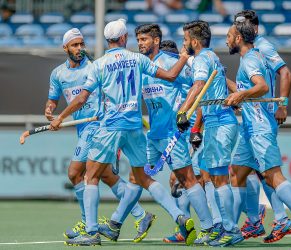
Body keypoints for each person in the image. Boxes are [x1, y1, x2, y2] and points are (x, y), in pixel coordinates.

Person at [50, 19, 196, 246]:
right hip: (135, 127)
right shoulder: (137, 59)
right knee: (143, 177)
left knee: (90, 176)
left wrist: (61, 116)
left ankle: (91, 232)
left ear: (107, 40)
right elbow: (170, 76)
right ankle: (179, 216)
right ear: (124, 38)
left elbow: (81, 98)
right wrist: (185, 57)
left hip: (110, 127)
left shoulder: (98, 64)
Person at [225, 18, 291, 249]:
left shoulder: (251, 59)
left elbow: (261, 87)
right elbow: (247, 90)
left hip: (260, 126)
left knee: (273, 176)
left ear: (239, 38)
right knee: (238, 174)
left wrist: (240, 97)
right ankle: (237, 227)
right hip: (249, 128)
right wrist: (226, 81)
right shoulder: (251, 58)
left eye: (229, 35)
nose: (227, 39)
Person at [45, 28, 154, 243]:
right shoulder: (58, 74)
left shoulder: (95, 67)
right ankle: (141, 215)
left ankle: (88, 226)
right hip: (82, 128)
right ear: (65, 48)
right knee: (106, 176)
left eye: (81, 44)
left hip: (98, 127)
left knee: (75, 173)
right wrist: (50, 108)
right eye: (74, 45)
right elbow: (53, 99)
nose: (79, 48)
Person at [135, 24, 213, 244]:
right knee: (137, 176)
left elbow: (198, 87)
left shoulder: (172, 63)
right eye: (138, 39)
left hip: (172, 134)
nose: (140, 43)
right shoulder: (142, 67)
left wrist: (193, 121)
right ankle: (120, 222)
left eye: (145, 39)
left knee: (188, 179)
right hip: (153, 135)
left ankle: (207, 228)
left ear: (156, 40)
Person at [228, 9, 291, 243]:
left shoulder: (262, 46)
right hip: (252, 119)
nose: (236, 29)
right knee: (250, 172)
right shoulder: (250, 51)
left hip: (261, 120)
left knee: (266, 173)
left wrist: (283, 105)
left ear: (253, 28)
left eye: (241, 25)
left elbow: (285, 73)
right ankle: (263, 220)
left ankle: (279, 219)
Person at [177, 20, 243, 247]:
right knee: (213, 178)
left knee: (220, 180)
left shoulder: (203, 59)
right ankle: (221, 226)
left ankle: (232, 230)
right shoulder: (209, 57)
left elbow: (197, 87)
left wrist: (183, 111)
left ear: (194, 42)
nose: (184, 43)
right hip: (215, 123)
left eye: (185, 40)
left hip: (220, 123)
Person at [159, 39, 223, 244]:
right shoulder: (173, 73)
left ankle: (217, 224)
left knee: (198, 179)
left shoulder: (186, 70)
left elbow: (199, 101)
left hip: (194, 134)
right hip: (184, 133)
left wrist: (196, 130)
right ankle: (191, 227)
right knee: (186, 181)